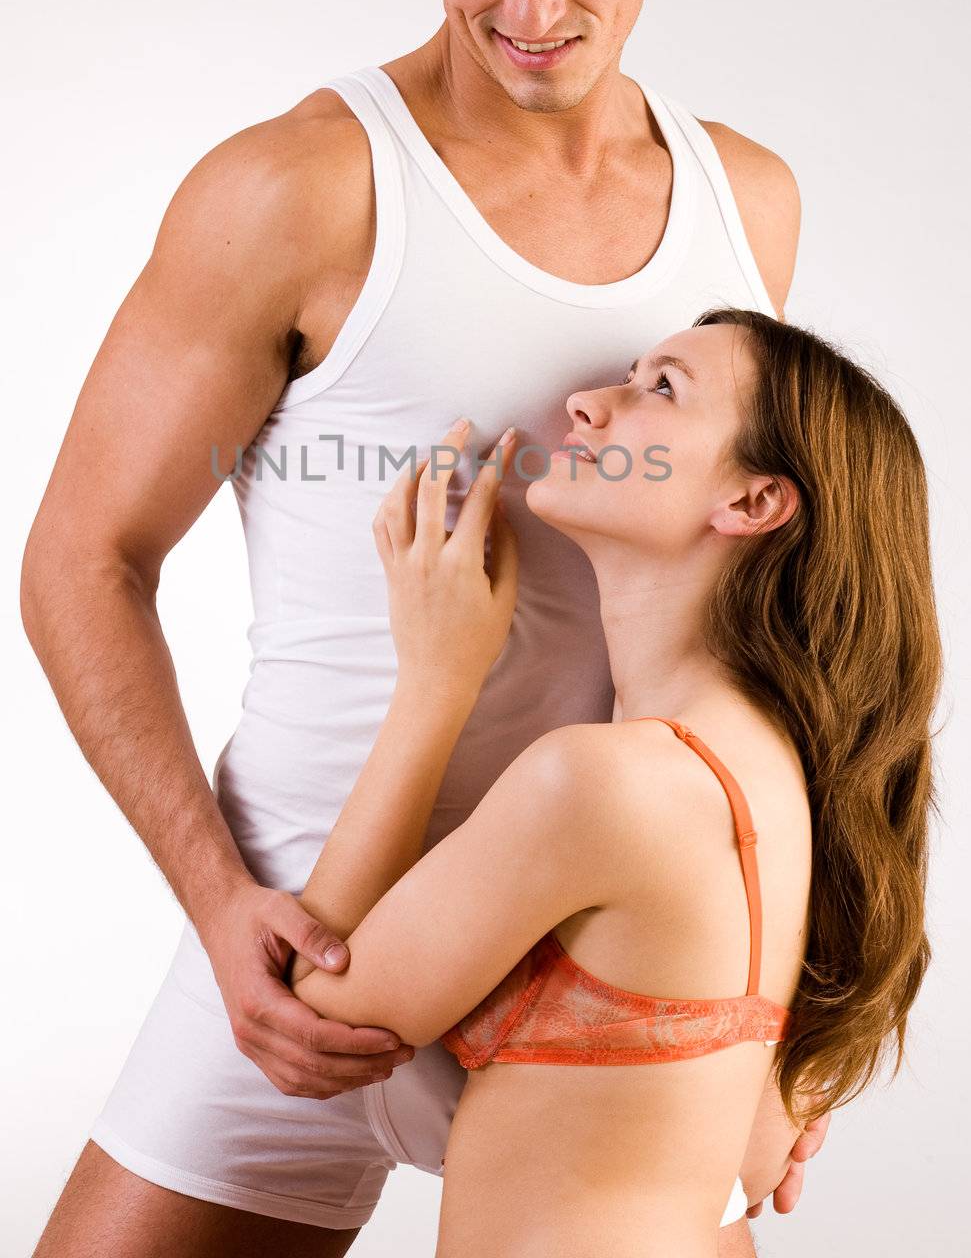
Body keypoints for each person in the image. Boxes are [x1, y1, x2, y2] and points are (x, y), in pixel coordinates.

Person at [21, 0, 824, 1258]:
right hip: (297, 943)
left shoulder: (746, 205)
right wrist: (215, 901)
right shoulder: (297, 193)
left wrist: (758, 1020)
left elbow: (748, 636)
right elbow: (84, 559)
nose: (530, 5)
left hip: (593, 966)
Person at [285, 309, 940, 1255]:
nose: (587, 404)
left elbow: (316, 1019)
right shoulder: (778, 784)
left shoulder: (604, 783)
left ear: (754, 503)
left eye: (661, 389)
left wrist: (436, 682)